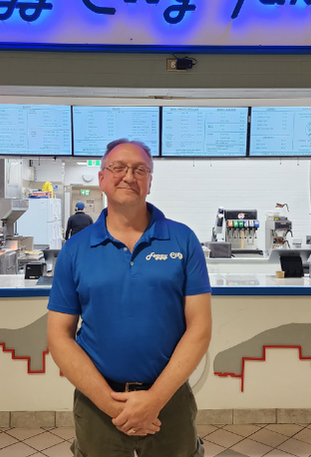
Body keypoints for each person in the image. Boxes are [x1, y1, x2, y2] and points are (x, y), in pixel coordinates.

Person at [47, 139, 212, 457]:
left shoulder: (183, 240)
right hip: (97, 401)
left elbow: (200, 329)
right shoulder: (76, 250)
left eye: (140, 169)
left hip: (170, 399)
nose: (128, 176)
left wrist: (155, 400)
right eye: (118, 167)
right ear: (102, 179)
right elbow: (59, 336)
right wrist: (110, 403)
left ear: (150, 181)